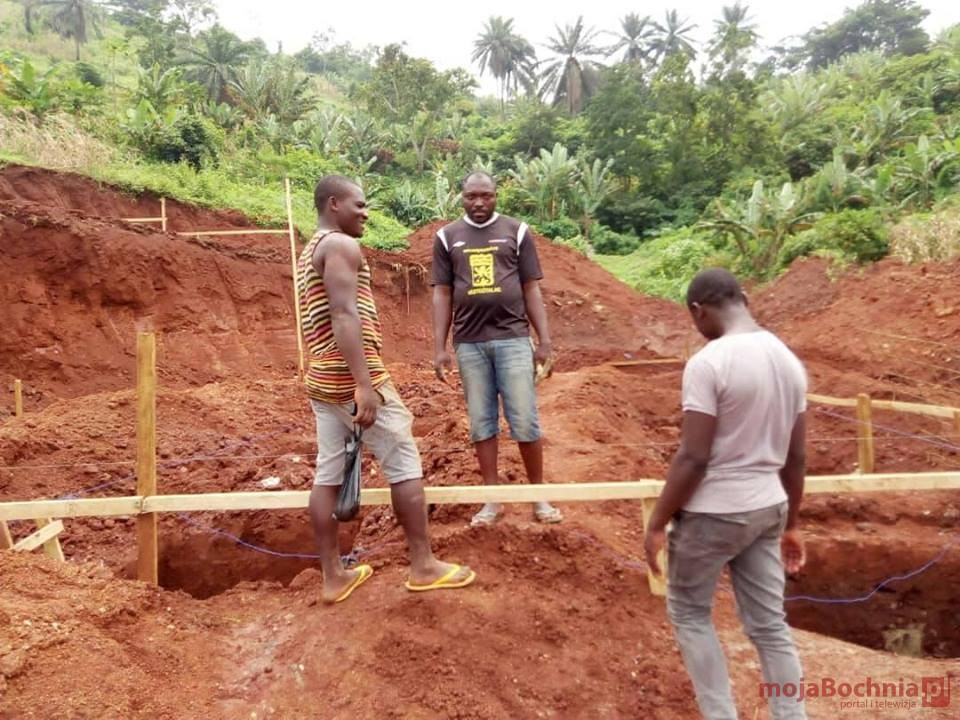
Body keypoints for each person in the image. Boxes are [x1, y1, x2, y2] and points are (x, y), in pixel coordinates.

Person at [299, 174, 475, 604]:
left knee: (328, 473)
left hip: (322, 376)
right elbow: (344, 315)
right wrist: (364, 384)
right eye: (359, 205)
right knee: (403, 459)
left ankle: (334, 577)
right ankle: (423, 565)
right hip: (351, 376)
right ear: (334, 204)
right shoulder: (340, 246)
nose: (366, 213)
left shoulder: (311, 248)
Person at [644, 268, 808, 720]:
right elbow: (796, 457)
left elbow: (694, 457)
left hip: (714, 513)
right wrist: (793, 523)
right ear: (744, 298)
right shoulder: (788, 361)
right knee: (770, 626)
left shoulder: (709, 363)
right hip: (769, 506)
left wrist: (657, 523)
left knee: (690, 613)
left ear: (698, 311)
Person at [431, 170, 562, 527]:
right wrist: (440, 347)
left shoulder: (517, 232)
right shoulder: (446, 237)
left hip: (513, 339)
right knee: (481, 422)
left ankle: (538, 497)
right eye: (471, 196)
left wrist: (544, 341)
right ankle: (492, 500)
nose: (478, 202)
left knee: (524, 419)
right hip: (469, 344)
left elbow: (531, 288)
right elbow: (442, 293)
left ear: (496, 196)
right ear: (461, 197)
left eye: (485, 196)